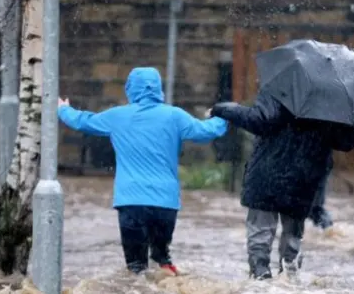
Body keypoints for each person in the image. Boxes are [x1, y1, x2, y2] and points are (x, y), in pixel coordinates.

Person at [207, 69, 354, 280]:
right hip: (303, 179)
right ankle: (290, 277)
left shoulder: (277, 93)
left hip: (267, 174)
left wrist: (224, 109)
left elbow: (258, 120)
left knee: (261, 230)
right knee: (293, 234)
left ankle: (260, 276)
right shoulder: (329, 106)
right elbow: (346, 142)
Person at [57, 67, 228, 276]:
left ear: (130, 89)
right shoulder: (174, 116)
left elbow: (83, 121)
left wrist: (63, 109)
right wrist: (221, 116)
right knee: (161, 260)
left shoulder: (117, 116)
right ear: (158, 89)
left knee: (136, 269)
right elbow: (207, 131)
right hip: (165, 204)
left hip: (131, 202)